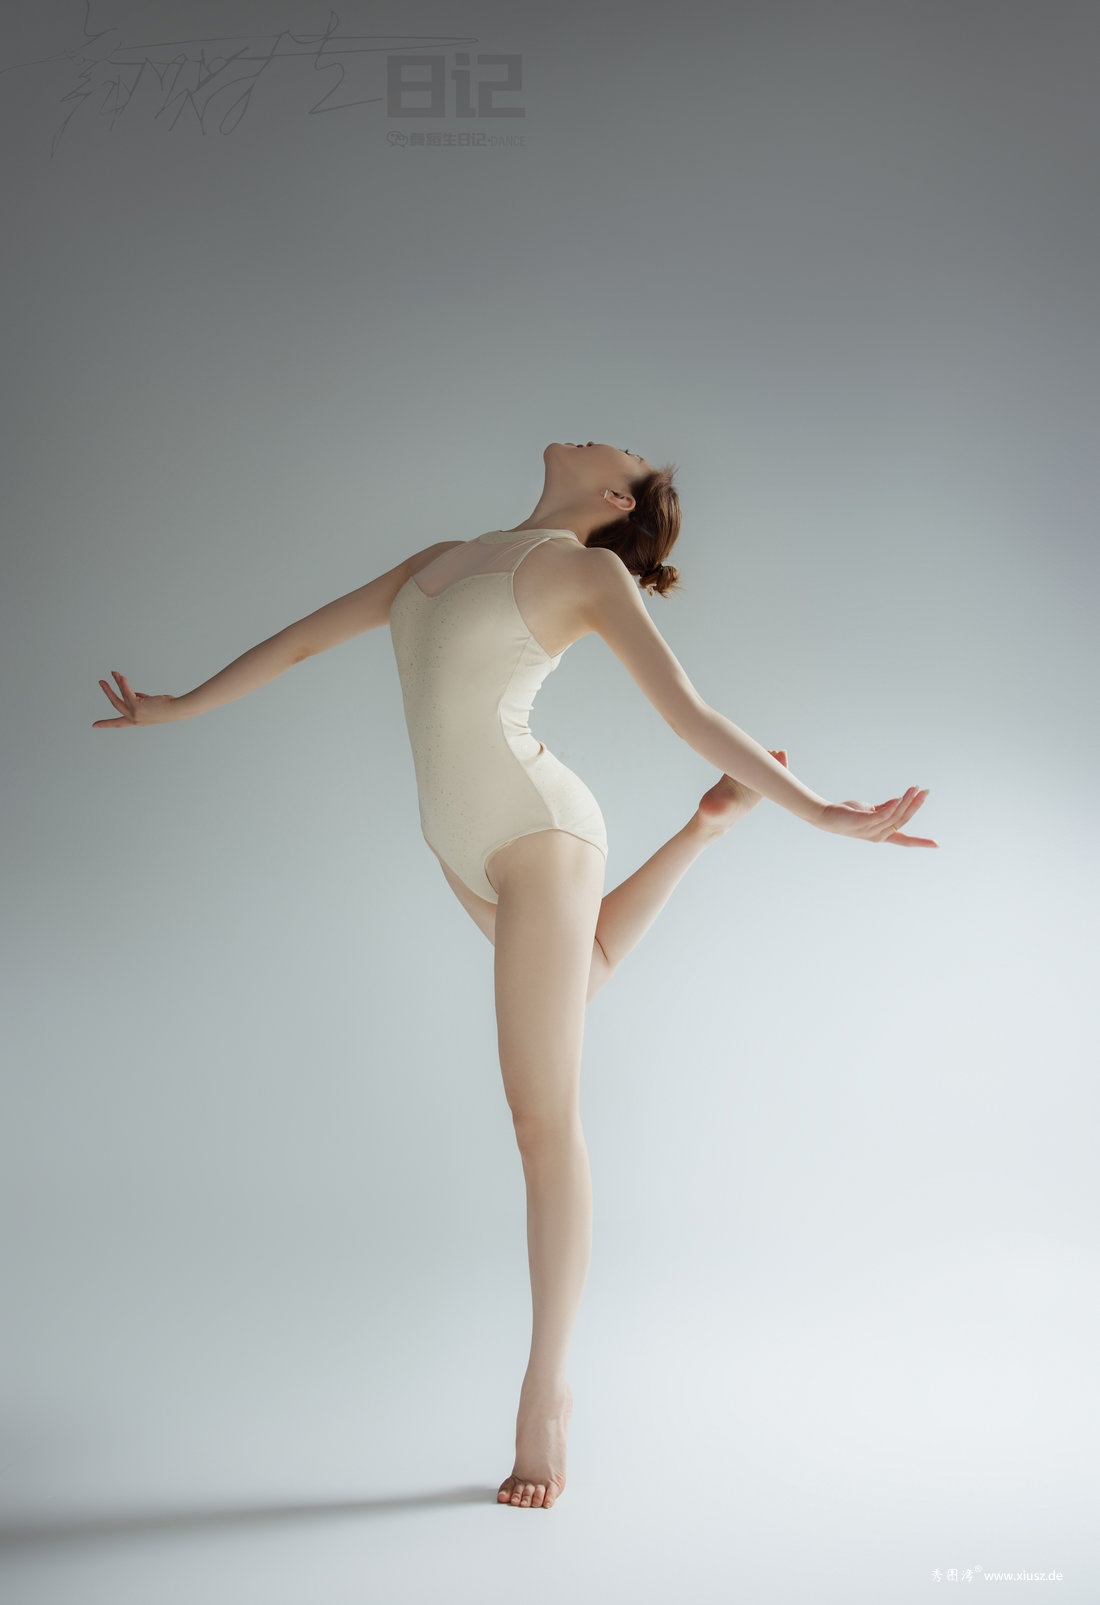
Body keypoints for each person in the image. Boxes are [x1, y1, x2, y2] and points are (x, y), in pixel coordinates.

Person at [93, 439, 938, 1512]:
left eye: (622, 452)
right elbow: (303, 641)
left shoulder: (587, 572)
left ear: (614, 496)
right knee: (570, 987)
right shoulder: (438, 558)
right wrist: (177, 708)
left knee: (541, 1115)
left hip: (539, 831)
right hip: (457, 839)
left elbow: (685, 709)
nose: (597, 433)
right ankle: (702, 833)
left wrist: (819, 811)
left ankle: (547, 1390)